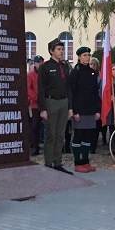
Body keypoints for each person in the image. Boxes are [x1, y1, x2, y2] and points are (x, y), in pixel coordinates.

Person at [37, 39, 74, 175]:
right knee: (50, 135)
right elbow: (41, 88)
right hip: (51, 102)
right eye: (58, 49)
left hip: (63, 102)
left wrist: (70, 106)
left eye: (62, 49)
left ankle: (58, 163)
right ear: (52, 51)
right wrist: (43, 108)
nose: (61, 51)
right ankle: (48, 163)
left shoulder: (65, 66)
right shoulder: (45, 67)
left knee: (60, 135)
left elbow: (68, 87)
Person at [70, 47, 100, 173]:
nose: (87, 57)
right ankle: (78, 163)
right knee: (79, 135)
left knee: (88, 136)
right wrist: (75, 111)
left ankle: (85, 161)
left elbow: (95, 92)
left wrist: (97, 110)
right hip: (80, 109)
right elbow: (72, 93)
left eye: (88, 55)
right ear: (79, 57)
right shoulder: (75, 72)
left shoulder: (92, 72)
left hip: (90, 109)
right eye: (84, 55)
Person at [27, 55, 43, 157]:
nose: (40, 64)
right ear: (35, 64)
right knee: (35, 126)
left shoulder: (45, 73)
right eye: (39, 62)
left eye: (41, 62)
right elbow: (29, 89)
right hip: (35, 104)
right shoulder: (30, 75)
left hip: (45, 103)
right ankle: (35, 146)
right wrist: (36, 98)